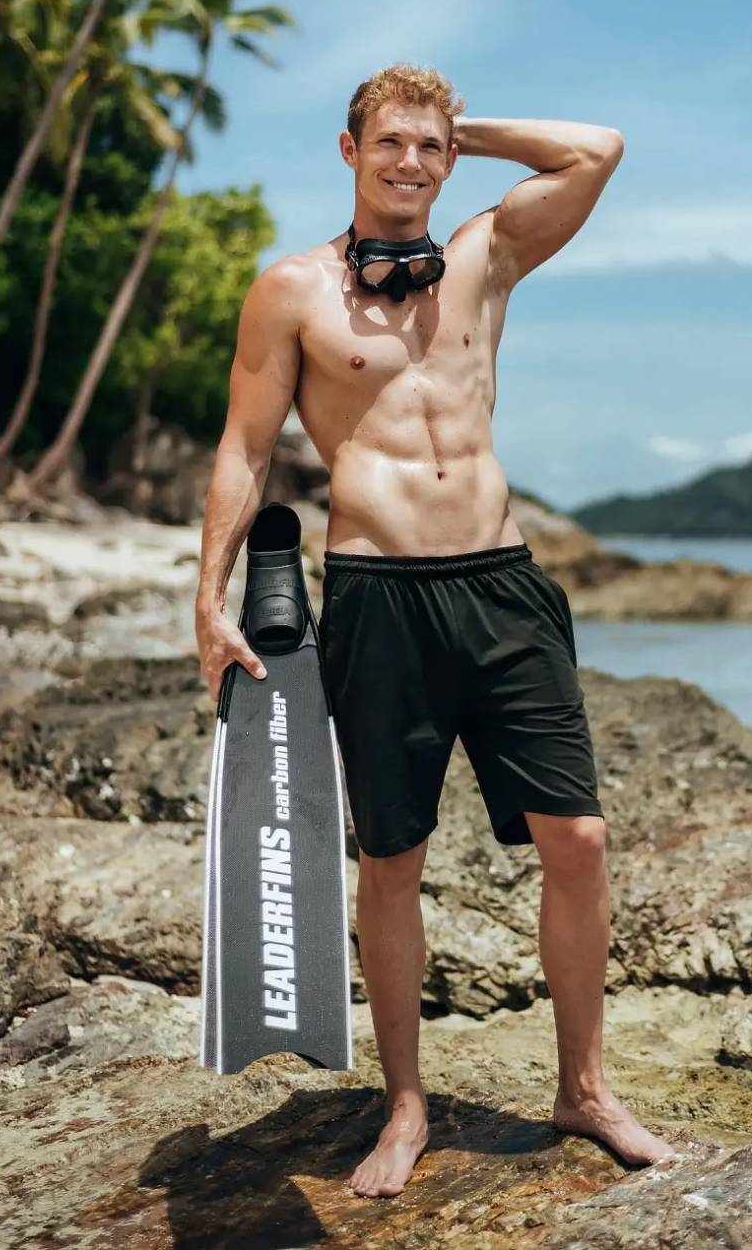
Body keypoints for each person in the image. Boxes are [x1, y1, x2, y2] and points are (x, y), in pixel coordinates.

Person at [195, 63, 676, 1198]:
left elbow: (597, 147)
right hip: (377, 597)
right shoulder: (291, 291)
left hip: (504, 588)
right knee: (392, 860)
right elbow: (244, 449)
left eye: (430, 146)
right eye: (390, 142)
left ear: (449, 155)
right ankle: (404, 1107)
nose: (411, 162)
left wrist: (473, 124)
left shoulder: (486, 253)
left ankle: (585, 1088)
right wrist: (206, 599)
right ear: (349, 149)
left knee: (580, 841)